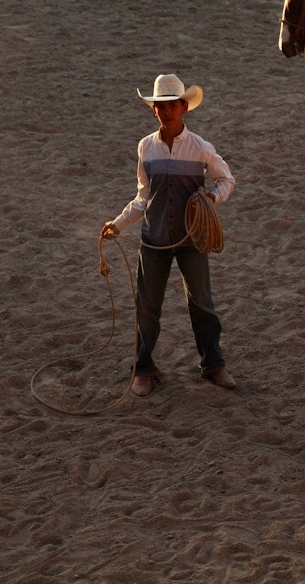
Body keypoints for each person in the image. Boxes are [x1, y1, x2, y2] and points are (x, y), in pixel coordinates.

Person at [100, 73, 238, 396]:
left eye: (172, 106)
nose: (166, 111)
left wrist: (212, 198)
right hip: (154, 238)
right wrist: (118, 224)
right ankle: (144, 368)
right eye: (160, 106)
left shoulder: (201, 148)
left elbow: (226, 179)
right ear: (154, 111)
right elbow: (142, 197)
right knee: (147, 305)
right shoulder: (146, 148)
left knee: (202, 302)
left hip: (192, 239)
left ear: (184, 107)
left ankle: (213, 364)